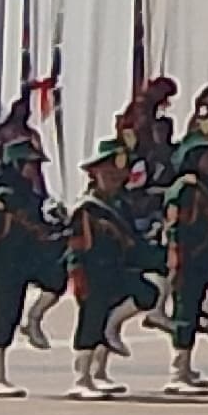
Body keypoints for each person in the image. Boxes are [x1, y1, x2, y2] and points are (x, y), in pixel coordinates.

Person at [0, 140, 62, 396]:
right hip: (3, 265)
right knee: (4, 316)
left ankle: (33, 319)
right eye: (30, 165)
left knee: (57, 279)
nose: (35, 170)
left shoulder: (29, 196)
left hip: (26, 259)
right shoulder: (0, 199)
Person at [62, 146, 146, 400]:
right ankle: (81, 378)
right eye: (107, 175)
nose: (113, 181)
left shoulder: (120, 205)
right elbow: (76, 247)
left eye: (117, 176)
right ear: (95, 175)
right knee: (90, 322)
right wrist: (78, 276)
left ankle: (99, 373)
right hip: (92, 272)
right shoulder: (86, 209)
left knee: (145, 294)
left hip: (115, 269)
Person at [158, 134, 208, 397]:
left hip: (206, 257)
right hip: (188, 258)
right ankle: (178, 371)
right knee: (184, 313)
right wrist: (176, 257)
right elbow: (176, 226)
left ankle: (187, 367)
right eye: (207, 157)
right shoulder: (185, 188)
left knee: (195, 308)